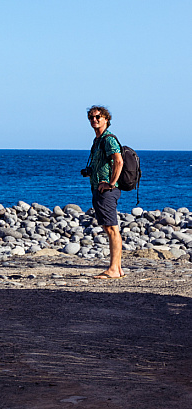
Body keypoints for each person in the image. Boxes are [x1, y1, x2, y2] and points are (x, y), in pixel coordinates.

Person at [85, 105, 124, 279]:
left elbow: (119, 161)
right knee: (109, 228)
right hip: (99, 188)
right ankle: (117, 268)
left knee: (111, 228)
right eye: (91, 118)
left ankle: (114, 269)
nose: (94, 120)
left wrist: (111, 183)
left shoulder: (108, 139)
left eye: (98, 117)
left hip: (106, 190)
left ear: (106, 119)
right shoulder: (98, 140)